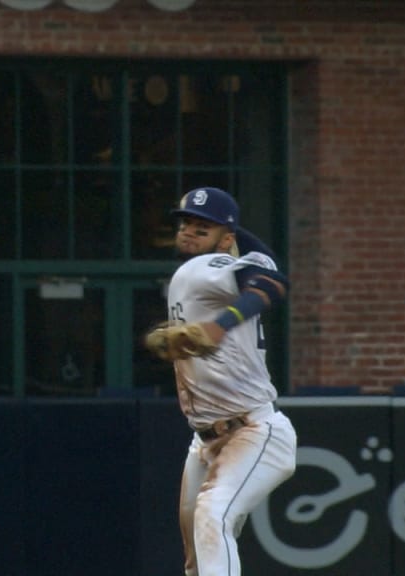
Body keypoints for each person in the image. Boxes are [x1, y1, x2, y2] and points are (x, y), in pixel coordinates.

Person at [157, 186, 297, 576]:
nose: (188, 232)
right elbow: (268, 267)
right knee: (197, 557)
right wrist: (229, 229)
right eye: (186, 223)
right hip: (204, 438)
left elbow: (273, 285)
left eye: (203, 228)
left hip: (252, 430)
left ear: (226, 240)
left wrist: (222, 325)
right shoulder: (202, 268)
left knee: (211, 513)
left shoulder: (208, 267)